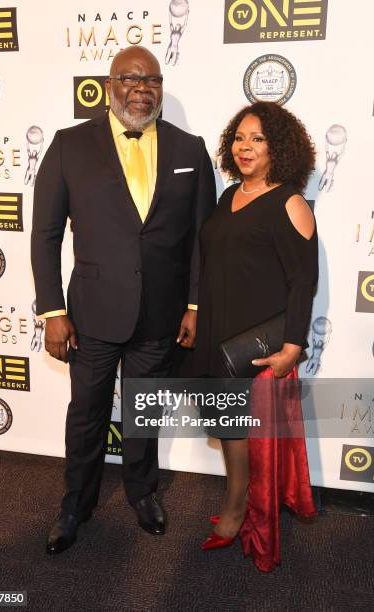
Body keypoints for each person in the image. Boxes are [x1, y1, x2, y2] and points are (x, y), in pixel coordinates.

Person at [31, 46, 216, 555]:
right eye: (130, 78)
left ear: (160, 87)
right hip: (89, 314)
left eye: (151, 79)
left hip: (161, 314)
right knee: (86, 414)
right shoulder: (70, 145)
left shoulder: (189, 149)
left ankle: (142, 494)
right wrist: (52, 311)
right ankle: (75, 505)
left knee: (144, 414)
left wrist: (196, 305)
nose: (142, 87)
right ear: (110, 85)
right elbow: (44, 234)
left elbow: (203, 236)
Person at [193, 101, 318, 571]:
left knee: (235, 421)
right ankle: (238, 500)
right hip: (217, 324)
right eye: (240, 138)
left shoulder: (290, 201)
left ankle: (237, 507)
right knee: (224, 422)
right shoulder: (228, 196)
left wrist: (293, 345)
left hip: (256, 335)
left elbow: (303, 281)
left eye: (258, 139)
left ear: (278, 148)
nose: (245, 147)